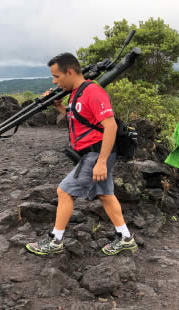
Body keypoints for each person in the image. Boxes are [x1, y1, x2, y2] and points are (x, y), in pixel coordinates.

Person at [26, 52, 137, 256]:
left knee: (64, 191)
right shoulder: (76, 93)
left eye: (57, 76)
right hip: (92, 154)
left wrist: (102, 162)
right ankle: (125, 237)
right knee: (105, 195)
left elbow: (110, 126)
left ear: (69, 72)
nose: (54, 81)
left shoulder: (92, 92)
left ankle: (55, 241)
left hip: (96, 154)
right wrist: (60, 107)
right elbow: (79, 118)